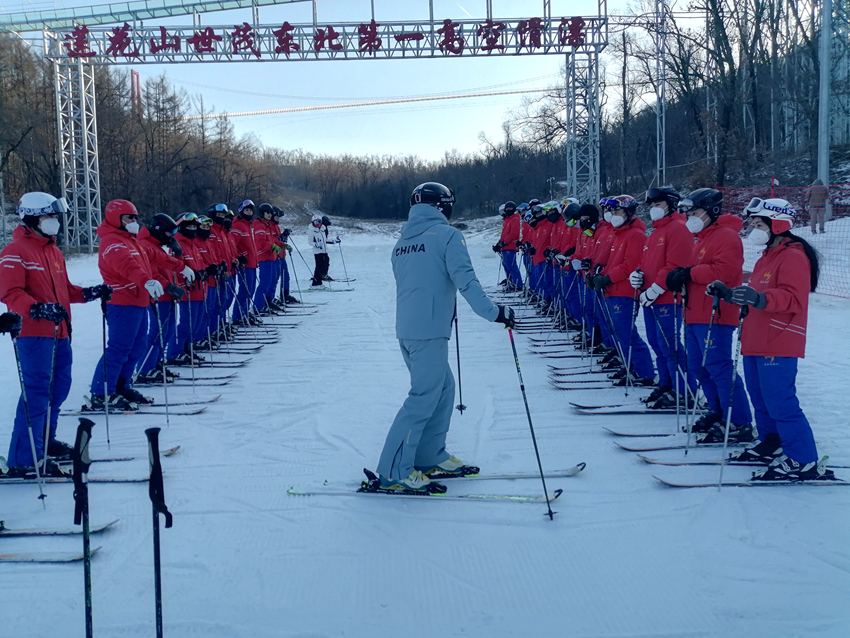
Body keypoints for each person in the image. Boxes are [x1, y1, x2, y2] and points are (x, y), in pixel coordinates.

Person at [376, 182, 515, 493]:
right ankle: (394, 470)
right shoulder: (448, 236)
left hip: (410, 330)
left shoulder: (402, 243)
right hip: (428, 332)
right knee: (423, 398)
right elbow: (466, 281)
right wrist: (495, 312)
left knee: (443, 389)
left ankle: (428, 455)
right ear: (441, 205)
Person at [708, 198, 832, 480]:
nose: (753, 228)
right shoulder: (768, 255)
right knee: (760, 396)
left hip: (779, 337)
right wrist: (730, 294)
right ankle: (772, 441)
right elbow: (756, 292)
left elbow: (792, 298)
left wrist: (759, 298)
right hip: (756, 337)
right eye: (752, 223)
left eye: (759, 224)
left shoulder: (793, 256)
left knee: (780, 400)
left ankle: (803, 459)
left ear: (778, 225)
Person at [0, 192, 111, 476]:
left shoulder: (53, 251)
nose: (55, 222)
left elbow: (63, 290)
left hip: (61, 332)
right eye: (50, 217)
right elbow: (10, 293)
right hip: (34, 333)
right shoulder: (15, 252)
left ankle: (44, 443)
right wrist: (36, 309)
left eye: (55, 217)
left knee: (58, 390)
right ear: (34, 217)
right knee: (36, 393)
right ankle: (24, 458)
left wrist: (87, 293)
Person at [666, 188, 753, 442]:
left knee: (718, 366)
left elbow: (725, 271)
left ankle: (738, 421)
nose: (690, 217)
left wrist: (689, 274)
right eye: (688, 213)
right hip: (694, 312)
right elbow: (696, 271)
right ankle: (718, 411)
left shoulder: (726, 236)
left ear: (711, 211)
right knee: (697, 366)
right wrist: (680, 278)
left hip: (716, 313)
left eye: (695, 212)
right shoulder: (701, 239)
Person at [88, 199, 164, 411]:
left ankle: (121, 385)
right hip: (122, 301)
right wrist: (145, 281)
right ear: (116, 219)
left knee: (136, 347)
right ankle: (101, 392)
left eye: (135, 217)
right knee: (119, 348)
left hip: (139, 300)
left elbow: (153, 257)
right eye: (129, 217)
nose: (134, 221)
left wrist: (177, 262)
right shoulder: (112, 242)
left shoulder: (131, 240)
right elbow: (127, 266)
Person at [630, 187, 693, 408]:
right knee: (657, 344)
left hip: (667, 298)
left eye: (658, 205)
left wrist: (656, 288)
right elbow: (647, 262)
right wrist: (637, 275)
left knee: (670, 346)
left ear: (671, 204)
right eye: (652, 205)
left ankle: (684, 390)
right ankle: (667, 384)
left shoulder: (678, 228)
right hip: (650, 298)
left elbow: (675, 265)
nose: (653, 209)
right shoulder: (655, 231)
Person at [588, 195, 655, 386]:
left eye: (616, 211)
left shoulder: (635, 235)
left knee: (627, 333)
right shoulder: (619, 233)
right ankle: (630, 365)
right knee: (618, 332)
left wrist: (607, 278)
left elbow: (629, 265)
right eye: (611, 211)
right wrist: (599, 275)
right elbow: (612, 262)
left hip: (625, 290)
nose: (612, 215)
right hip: (612, 289)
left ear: (628, 212)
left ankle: (643, 371)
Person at [135, 213, 187, 384]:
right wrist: (169, 286)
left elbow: (169, 266)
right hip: (158, 295)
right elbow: (152, 273)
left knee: (168, 331)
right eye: (169, 232)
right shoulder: (145, 245)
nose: (171, 236)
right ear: (159, 229)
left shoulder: (157, 245)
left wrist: (178, 253)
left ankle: (156, 363)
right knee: (158, 332)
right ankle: (145, 368)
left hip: (168, 295)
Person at [231, 200, 260, 324]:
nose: (249, 212)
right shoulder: (238, 225)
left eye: (250, 210)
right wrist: (239, 256)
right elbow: (233, 244)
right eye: (246, 210)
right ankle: (238, 316)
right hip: (245, 263)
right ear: (241, 211)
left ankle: (245, 312)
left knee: (251, 289)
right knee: (245, 289)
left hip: (252, 262)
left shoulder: (249, 225)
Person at [492, 201, 523, 291]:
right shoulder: (507, 220)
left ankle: (518, 284)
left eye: (510, 209)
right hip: (505, 247)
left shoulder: (514, 219)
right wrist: (499, 244)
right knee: (506, 265)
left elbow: (513, 234)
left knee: (511, 265)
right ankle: (511, 281)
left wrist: (504, 242)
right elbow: (504, 234)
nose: (509, 210)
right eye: (507, 209)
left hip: (510, 246)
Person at [309, 214, 338, 288]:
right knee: (318, 267)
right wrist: (317, 244)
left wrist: (334, 241)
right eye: (316, 222)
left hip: (324, 251)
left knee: (323, 266)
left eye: (319, 222)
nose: (317, 224)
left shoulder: (322, 229)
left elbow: (325, 240)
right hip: (317, 252)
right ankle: (315, 283)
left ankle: (320, 282)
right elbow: (310, 242)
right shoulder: (312, 231)